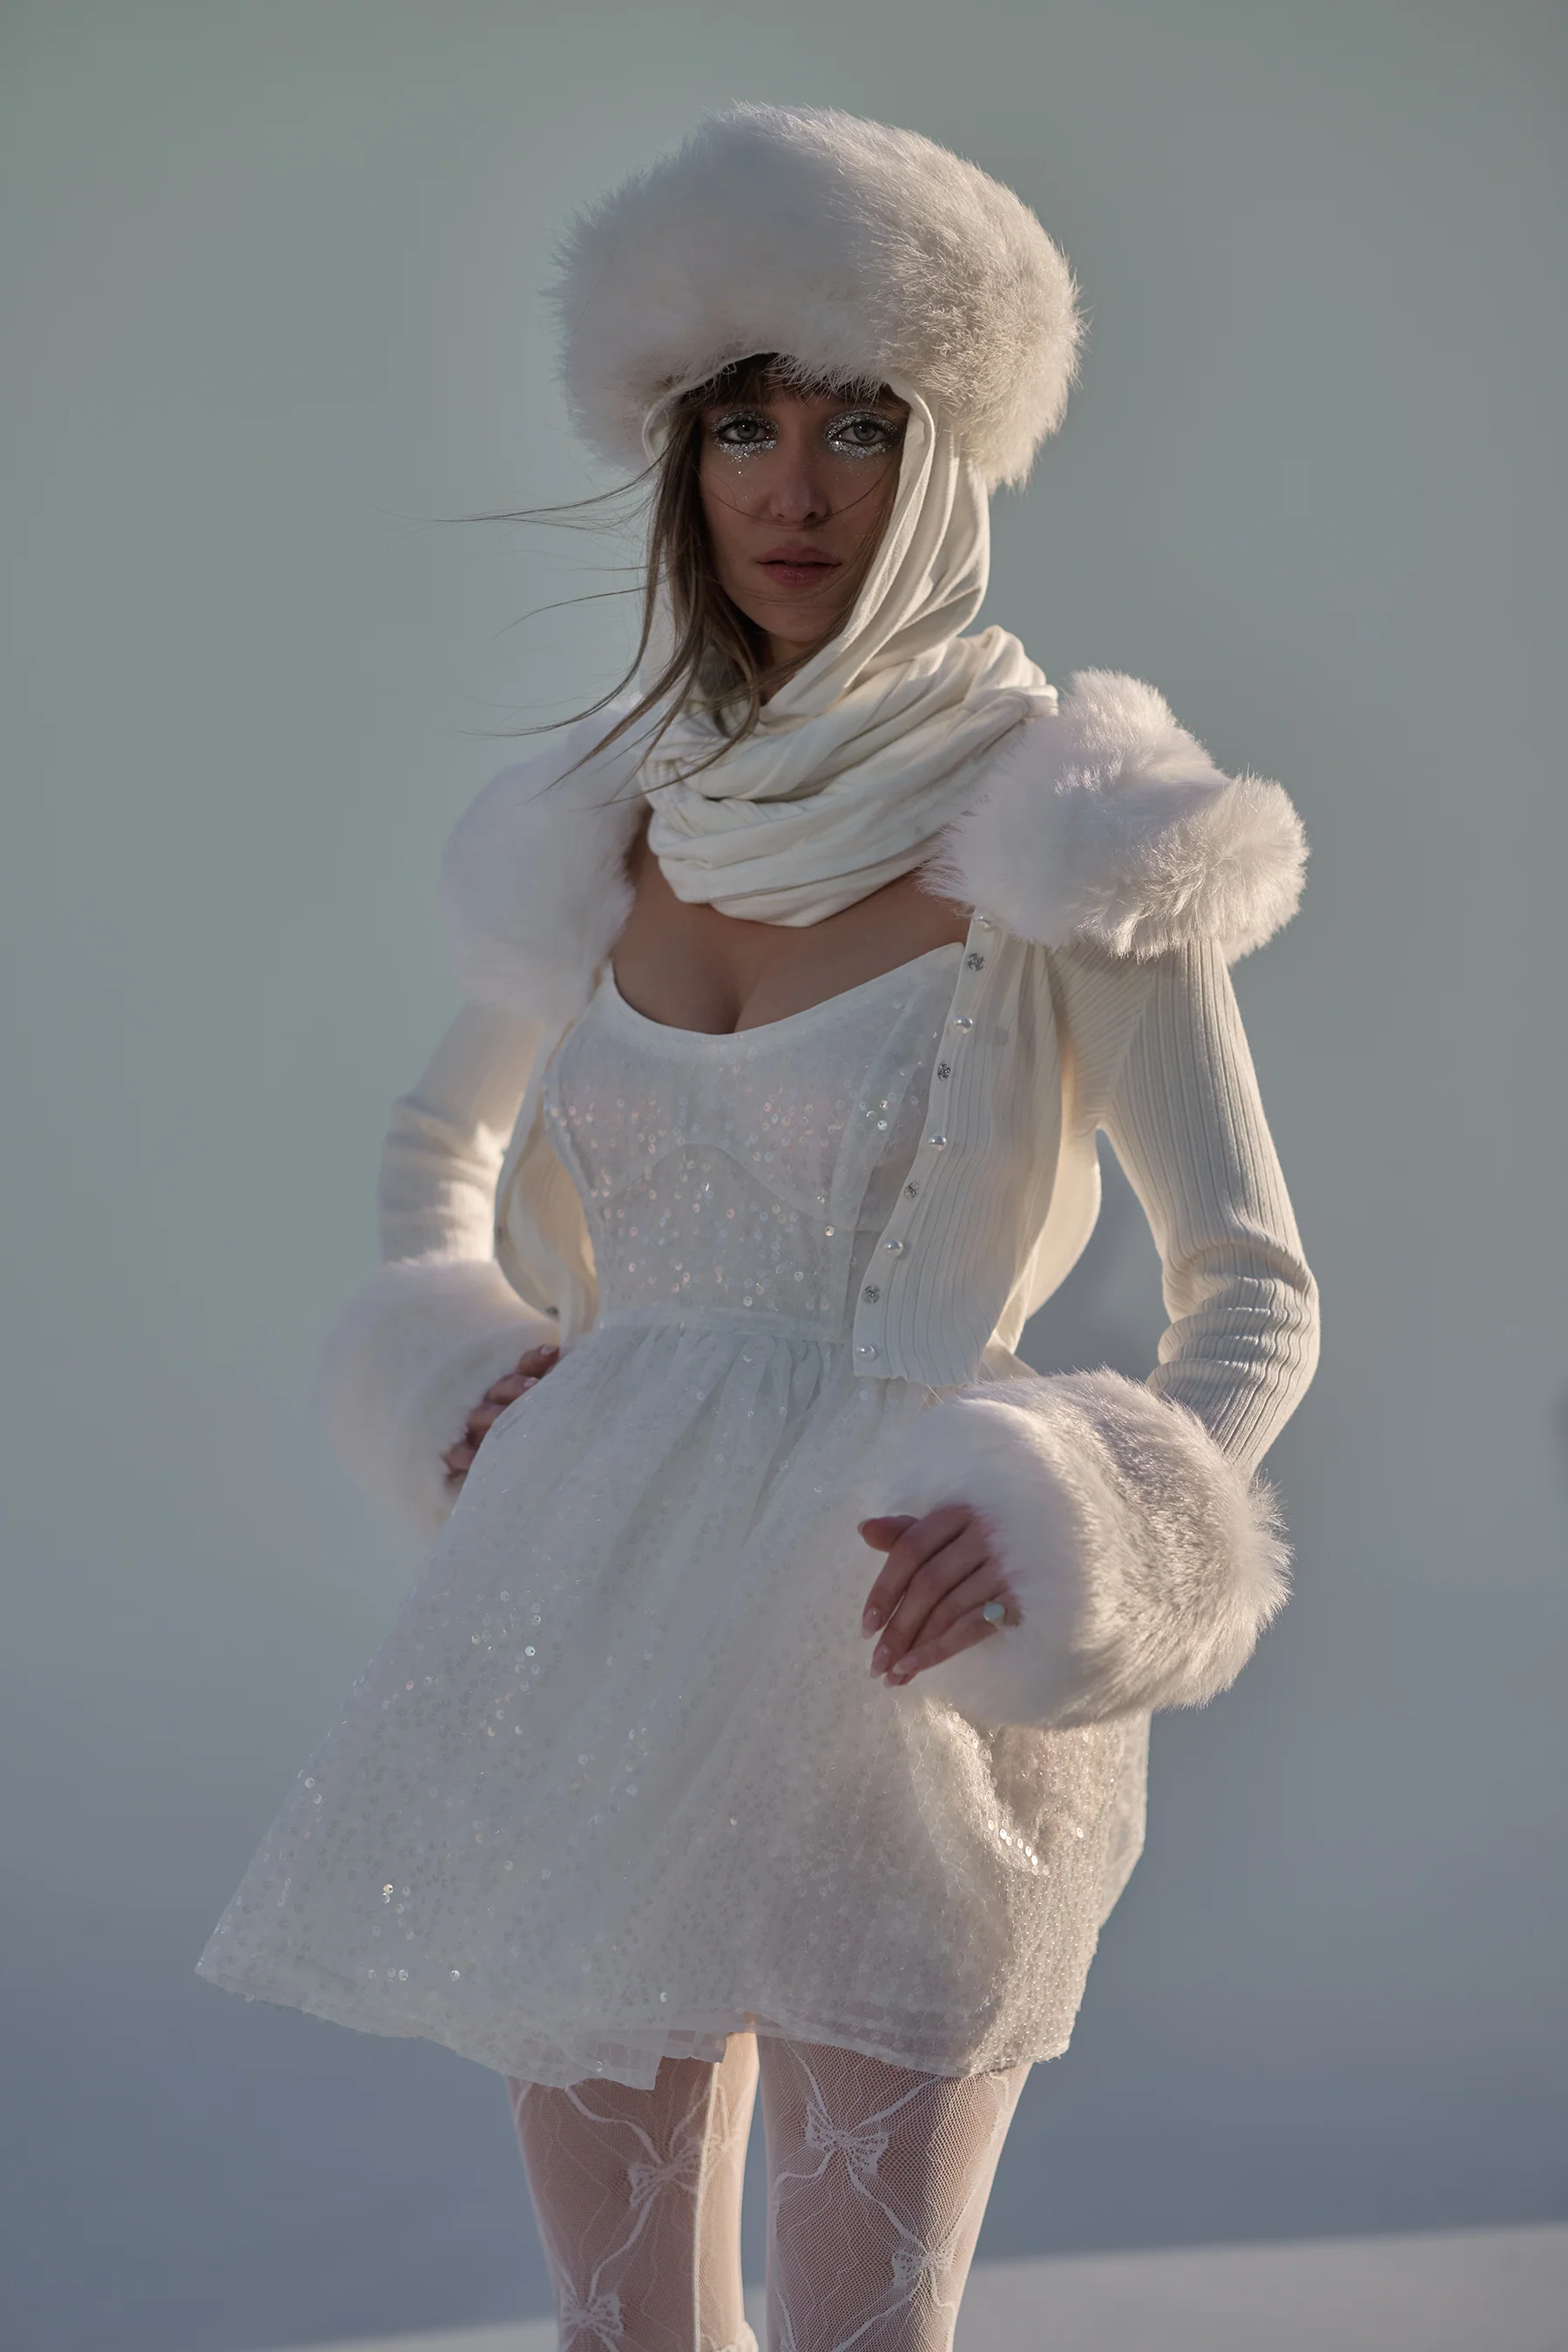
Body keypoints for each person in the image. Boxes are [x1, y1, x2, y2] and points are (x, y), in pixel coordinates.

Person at [198, 105, 1320, 2352]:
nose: (795, 489)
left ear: (953, 459)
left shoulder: (1075, 823)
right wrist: (467, 1368)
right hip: (587, 1610)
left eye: (859, 427)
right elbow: (435, 1151)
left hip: (893, 1642)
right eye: (744, 428)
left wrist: (1088, 1519)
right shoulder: (602, 819)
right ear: (682, 460)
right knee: (624, 2339)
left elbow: (1254, 1290)